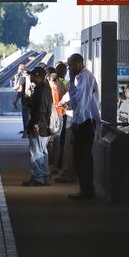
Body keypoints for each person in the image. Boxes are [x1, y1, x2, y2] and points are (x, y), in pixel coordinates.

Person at [65, 53, 101, 200]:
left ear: (80, 63)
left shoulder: (85, 77)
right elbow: (74, 101)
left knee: (83, 157)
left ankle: (87, 190)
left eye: (72, 65)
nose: (70, 68)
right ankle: (85, 189)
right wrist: (71, 82)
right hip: (83, 121)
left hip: (86, 121)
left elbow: (83, 102)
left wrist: (75, 122)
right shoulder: (78, 78)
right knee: (80, 156)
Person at [23, 66, 53, 186]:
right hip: (43, 124)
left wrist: (35, 125)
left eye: (32, 75)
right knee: (42, 151)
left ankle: (38, 178)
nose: (30, 77)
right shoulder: (44, 88)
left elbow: (41, 109)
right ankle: (44, 177)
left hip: (39, 124)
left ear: (37, 76)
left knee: (36, 152)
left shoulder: (42, 90)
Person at [47, 72, 64, 171]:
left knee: (50, 141)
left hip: (52, 117)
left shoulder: (49, 88)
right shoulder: (61, 87)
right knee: (57, 141)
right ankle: (55, 165)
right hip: (60, 115)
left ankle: (51, 164)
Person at [13, 63, 31, 134]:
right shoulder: (29, 76)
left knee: (25, 116)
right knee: (29, 116)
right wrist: (16, 100)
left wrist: (16, 78)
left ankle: (26, 131)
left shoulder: (23, 77)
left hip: (26, 100)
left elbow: (17, 88)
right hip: (30, 99)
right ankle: (27, 130)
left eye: (19, 69)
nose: (18, 70)